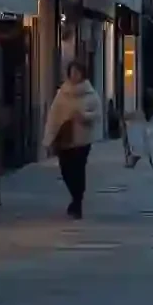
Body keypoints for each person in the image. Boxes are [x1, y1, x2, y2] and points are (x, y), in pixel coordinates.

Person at [42, 61, 102, 219]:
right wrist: (48, 138)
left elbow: (97, 114)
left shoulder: (90, 93)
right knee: (66, 169)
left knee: (78, 170)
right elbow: (53, 116)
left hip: (82, 139)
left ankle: (77, 203)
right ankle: (75, 198)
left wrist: (84, 116)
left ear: (83, 74)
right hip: (65, 139)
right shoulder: (62, 93)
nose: (75, 75)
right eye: (72, 72)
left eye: (78, 72)